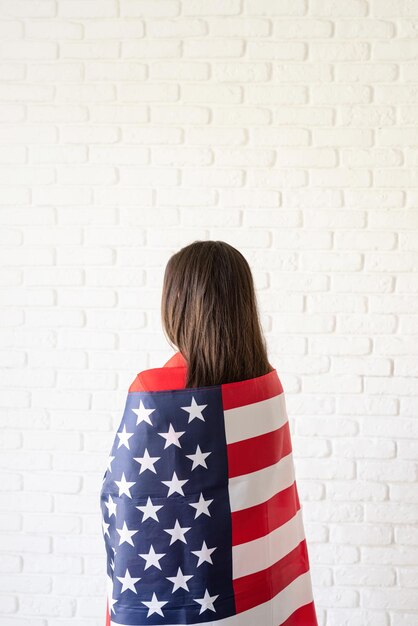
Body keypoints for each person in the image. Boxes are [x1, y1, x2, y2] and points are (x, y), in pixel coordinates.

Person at [101, 240, 318, 625]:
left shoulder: (154, 393)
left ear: (177, 304)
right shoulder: (267, 385)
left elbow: (125, 503)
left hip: (190, 601)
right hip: (261, 591)